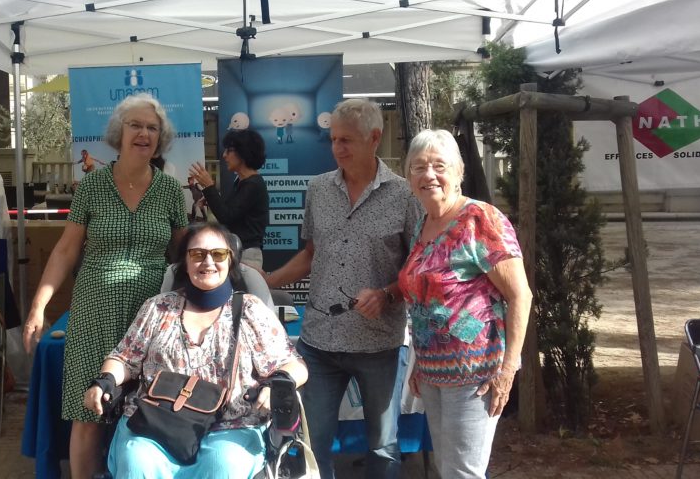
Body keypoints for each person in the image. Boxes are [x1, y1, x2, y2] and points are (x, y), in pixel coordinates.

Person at [23, 93, 189, 479]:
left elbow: (183, 255)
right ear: (119, 132)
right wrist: (38, 307)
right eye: (135, 125)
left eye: (152, 128)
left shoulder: (169, 190)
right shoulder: (92, 187)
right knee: (89, 412)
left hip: (152, 317)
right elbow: (65, 251)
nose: (144, 133)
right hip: (94, 310)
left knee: (152, 409)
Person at [266, 99, 421, 479]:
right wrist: (264, 282)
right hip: (319, 344)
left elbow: (417, 268)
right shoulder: (318, 189)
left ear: (375, 138)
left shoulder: (405, 195)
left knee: (383, 448)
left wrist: (386, 294)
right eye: (334, 140)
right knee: (310, 445)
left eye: (347, 140)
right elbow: (310, 254)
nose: (338, 148)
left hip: (379, 345)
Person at [84, 222, 308, 479]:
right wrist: (105, 380)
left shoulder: (251, 310)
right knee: (137, 461)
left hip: (230, 425)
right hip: (156, 421)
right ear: (185, 262)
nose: (208, 261)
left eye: (218, 254)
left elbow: (294, 364)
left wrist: (278, 382)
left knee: (224, 466)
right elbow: (124, 357)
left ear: (231, 260)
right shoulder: (157, 308)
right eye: (198, 254)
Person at [394, 129, 532, 479]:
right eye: (418, 167)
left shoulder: (480, 220)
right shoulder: (424, 225)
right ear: (409, 177)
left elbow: (520, 295)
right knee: (447, 467)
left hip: (476, 374)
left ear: (458, 172)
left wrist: (508, 369)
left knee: (463, 473)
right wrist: (421, 365)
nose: (428, 175)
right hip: (433, 373)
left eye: (439, 166)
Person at [188, 129, 270, 270]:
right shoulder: (243, 182)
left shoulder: (252, 184)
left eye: (229, 150)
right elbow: (229, 212)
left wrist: (208, 186)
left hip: (246, 255)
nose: (224, 155)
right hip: (238, 251)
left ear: (243, 152)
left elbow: (226, 216)